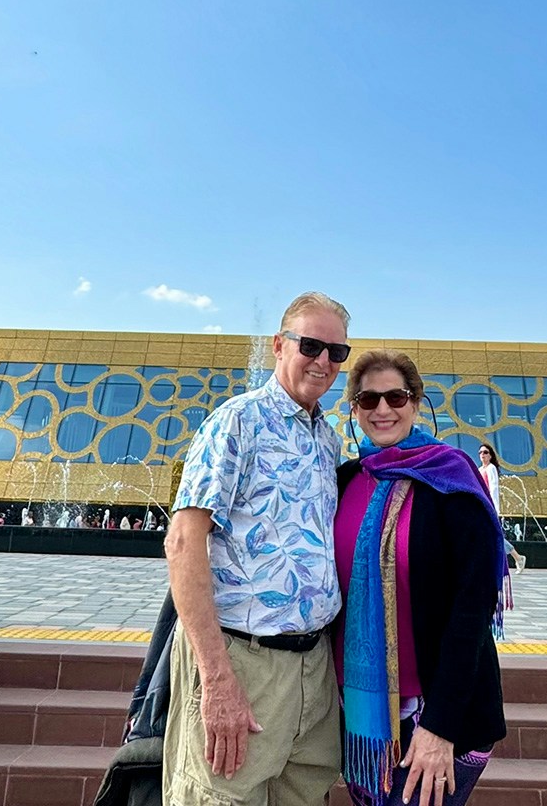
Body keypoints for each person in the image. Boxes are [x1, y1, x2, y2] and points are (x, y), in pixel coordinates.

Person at [163, 292, 352, 806]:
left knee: (305, 794)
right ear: (278, 345)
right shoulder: (237, 422)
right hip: (243, 659)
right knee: (221, 796)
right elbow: (182, 542)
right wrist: (217, 678)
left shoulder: (327, 439)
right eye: (311, 345)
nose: (323, 362)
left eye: (338, 353)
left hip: (313, 668)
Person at [335, 350, 506, 806]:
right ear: (354, 409)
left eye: (396, 396)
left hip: (439, 715)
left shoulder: (451, 480)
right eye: (368, 400)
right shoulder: (346, 479)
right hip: (364, 717)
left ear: (415, 402)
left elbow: (472, 608)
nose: (383, 410)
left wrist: (439, 728)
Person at [476, 443, 525, 572]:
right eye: (480, 452)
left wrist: (495, 509)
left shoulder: (491, 468)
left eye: (485, 452)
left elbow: (493, 489)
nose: (482, 455)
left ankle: (517, 557)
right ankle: (517, 557)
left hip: (489, 507)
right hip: (481, 506)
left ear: (490, 455)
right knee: (489, 535)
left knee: (493, 535)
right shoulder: (480, 470)